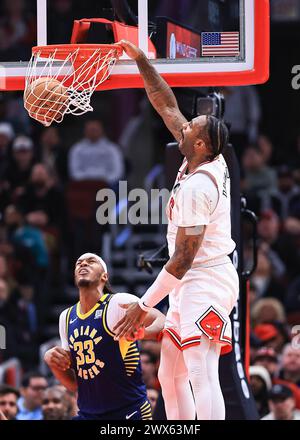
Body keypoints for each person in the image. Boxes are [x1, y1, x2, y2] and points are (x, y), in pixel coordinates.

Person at [113, 40, 239, 420]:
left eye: (189, 130)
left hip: (207, 279)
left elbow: (183, 259)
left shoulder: (200, 186)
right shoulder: (203, 153)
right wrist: (140, 61)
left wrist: (143, 305)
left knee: (201, 370)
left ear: (198, 144)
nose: (181, 129)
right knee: (170, 374)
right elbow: (165, 103)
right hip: (192, 280)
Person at [44, 253, 165, 420]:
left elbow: (162, 319)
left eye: (91, 261)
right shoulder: (66, 317)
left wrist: (144, 333)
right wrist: (53, 363)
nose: (83, 264)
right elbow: (74, 384)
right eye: (79, 263)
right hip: (88, 414)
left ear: (104, 276)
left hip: (128, 411)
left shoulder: (118, 303)